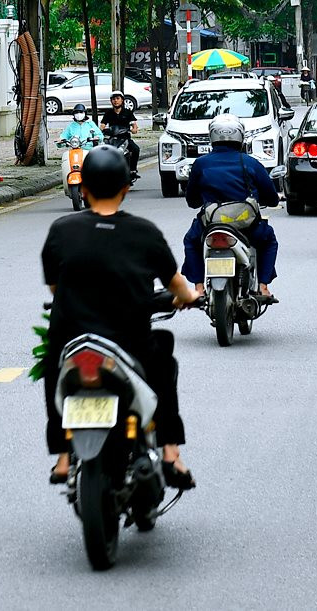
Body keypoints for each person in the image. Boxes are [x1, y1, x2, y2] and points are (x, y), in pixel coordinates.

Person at [42, 146, 203, 487]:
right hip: (128, 341)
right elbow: (177, 285)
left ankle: (62, 455)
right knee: (163, 366)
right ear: (126, 189)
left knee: (55, 370)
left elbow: (56, 288)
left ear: (82, 188)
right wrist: (188, 298)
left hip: (73, 337)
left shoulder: (61, 230)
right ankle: (171, 452)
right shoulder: (144, 232)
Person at [180, 114, 280, 300]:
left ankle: (199, 287)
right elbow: (272, 198)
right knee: (268, 240)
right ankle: (263, 286)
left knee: (191, 241)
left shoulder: (201, 164)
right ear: (240, 136)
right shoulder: (251, 162)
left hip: (211, 225)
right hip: (247, 226)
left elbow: (192, 201)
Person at [98, 92, 141, 179]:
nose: (116, 101)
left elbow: (134, 124)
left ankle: (132, 170)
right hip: (112, 139)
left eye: (118, 99)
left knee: (136, 149)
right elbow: (102, 125)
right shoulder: (108, 113)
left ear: (122, 100)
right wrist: (99, 132)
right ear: (111, 101)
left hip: (125, 139)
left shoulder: (128, 112)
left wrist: (134, 129)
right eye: (113, 99)